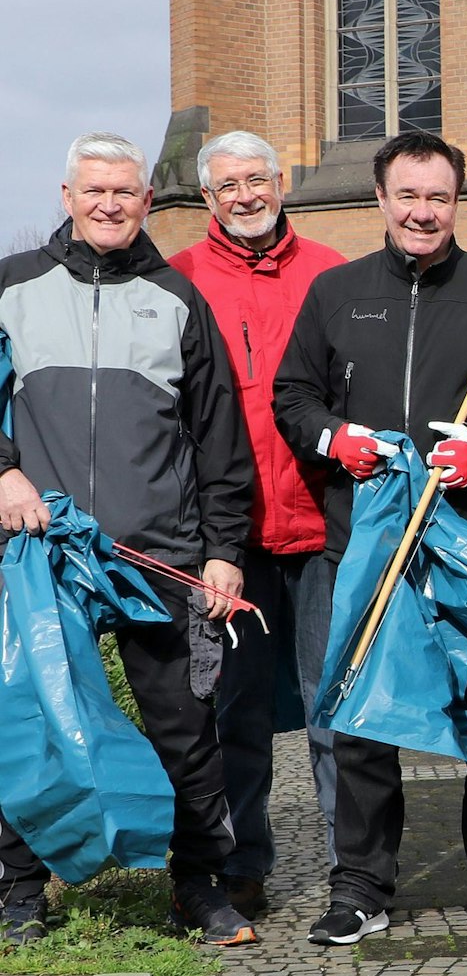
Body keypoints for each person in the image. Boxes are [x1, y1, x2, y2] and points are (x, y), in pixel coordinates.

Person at [273, 130, 467, 947]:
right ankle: (362, 882)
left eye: (438, 197)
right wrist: (336, 440)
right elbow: (292, 396)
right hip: (366, 547)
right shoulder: (335, 293)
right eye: (407, 195)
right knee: (365, 721)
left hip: (466, 546)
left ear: (457, 202)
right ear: (380, 199)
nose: (422, 211)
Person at [0, 132, 256, 947]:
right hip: (47, 556)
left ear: (147, 201)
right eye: (94, 190)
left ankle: (199, 884)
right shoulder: (11, 290)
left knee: (185, 726)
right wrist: (2, 470)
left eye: (125, 192)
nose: (109, 204)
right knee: (35, 723)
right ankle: (20, 892)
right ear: (68, 195)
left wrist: (223, 550)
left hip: (161, 557)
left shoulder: (179, 299)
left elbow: (220, 439)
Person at [168, 130, 349, 919]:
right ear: (207, 198)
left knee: (335, 702)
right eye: (227, 186)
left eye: (257, 180)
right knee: (235, 710)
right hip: (229, 537)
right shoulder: (178, 281)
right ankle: (242, 863)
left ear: (280, 183)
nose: (245, 196)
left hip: (321, 520)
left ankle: (356, 866)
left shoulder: (334, 274)